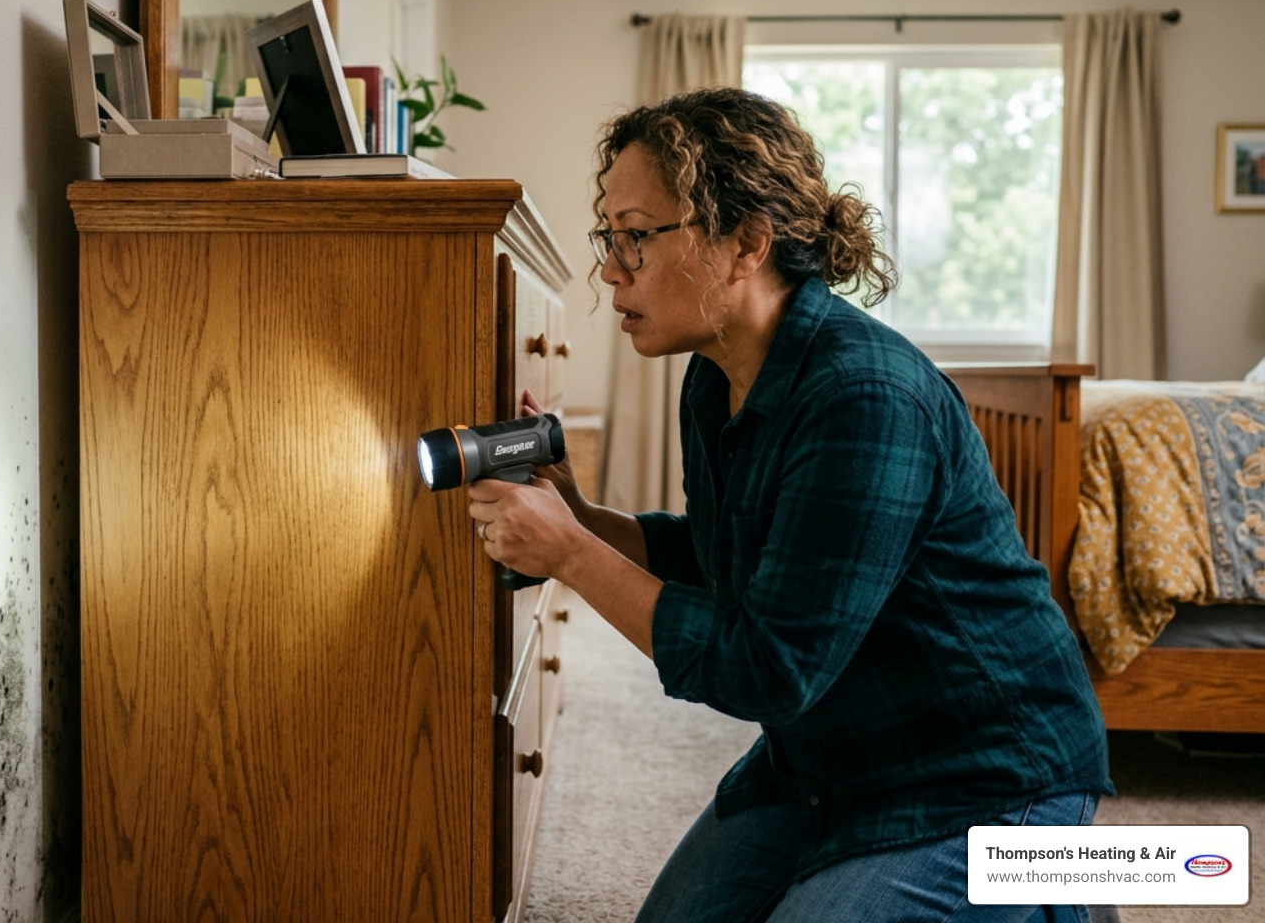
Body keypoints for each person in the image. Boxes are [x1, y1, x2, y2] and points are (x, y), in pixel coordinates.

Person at [466, 87, 1113, 923]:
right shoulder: (715, 378)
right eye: (609, 236)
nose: (610, 268)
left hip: (989, 778)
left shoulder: (865, 395)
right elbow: (741, 561)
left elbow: (771, 668)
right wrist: (584, 519)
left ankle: (1062, 892)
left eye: (636, 235)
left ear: (746, 244)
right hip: (826, 766)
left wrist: (572, 557)